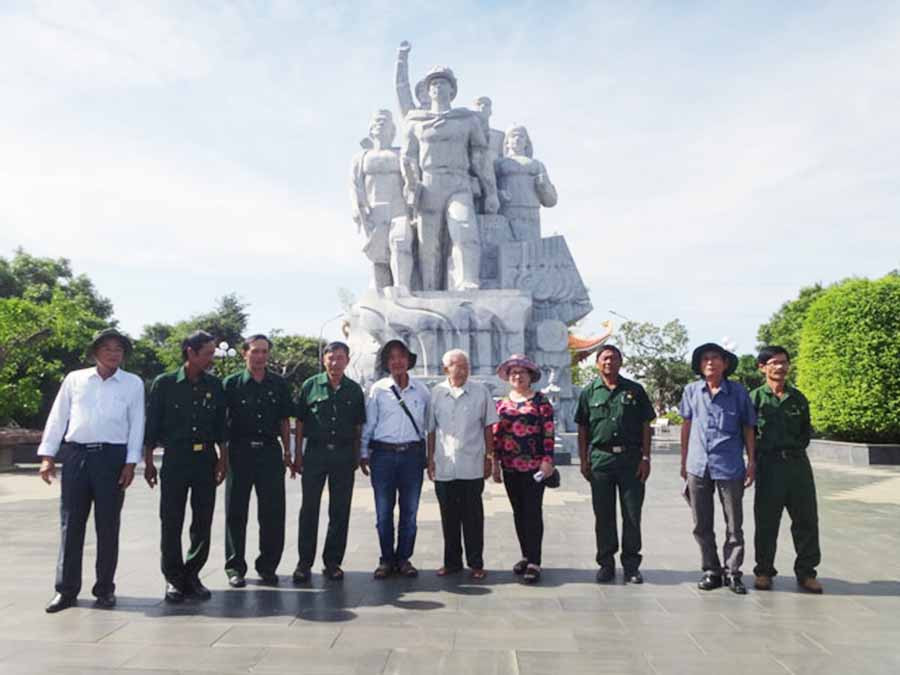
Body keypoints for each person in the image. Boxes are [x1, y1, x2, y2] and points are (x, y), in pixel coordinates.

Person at [37, 328, 145, 612]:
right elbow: (58, 416)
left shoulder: (132, 383)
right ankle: (66, 590)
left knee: (108, 526)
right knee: (71, 525)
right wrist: (48, 455)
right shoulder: (76, 379)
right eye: (107, 348)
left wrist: (131, 463)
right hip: (76, 456)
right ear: (95, 352)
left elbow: (137, 425)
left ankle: (105, 589)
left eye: (118, 349)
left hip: (112, 458)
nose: (113, 354)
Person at [144, 330, 227, 603]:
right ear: (190, 352)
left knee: (202, 520)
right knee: (171, 520)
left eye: (214, 353)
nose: (212, 358)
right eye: (208, 354)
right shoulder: (165, 383)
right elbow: (152, 424)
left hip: (205, 459)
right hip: (175, 459)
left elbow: (220, 426)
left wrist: (223, 459)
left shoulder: (215, 385)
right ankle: (173, 578)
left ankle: (192, 574)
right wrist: (148, 462)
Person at [401, 66, 499, 291]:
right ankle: (429, 288)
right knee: (428, 243)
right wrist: (411, 184)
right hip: (429, 184)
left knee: (464, 230)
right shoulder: (415, 122)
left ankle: (467, 281)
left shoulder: (466, 119)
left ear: (452, 90)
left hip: (458, 182)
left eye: (442, 82)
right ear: (427, 91)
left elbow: (480, 157)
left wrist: (491, 191)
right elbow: (408, 157)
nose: (437, 86)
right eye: (433, 83)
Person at [679, 342, 756, 594]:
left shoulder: (738, 392)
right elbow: (687, 426)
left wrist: (751, 460)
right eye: (705, 359)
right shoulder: (691, 391)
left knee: (734, 523)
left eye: (715, 358)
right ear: (700, 366)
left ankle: (733, 572)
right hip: (698, 465)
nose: (710, 362)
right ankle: (711, 569)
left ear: (725, 363)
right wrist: (684, 460)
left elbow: (748, 427)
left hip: (730, 464)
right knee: (701, 523)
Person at [574, 345, 655, 585]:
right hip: (601, 459)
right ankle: (606, 564)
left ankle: (631, 566)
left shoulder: (635, 390)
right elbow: (582, 429)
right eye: (605, 358)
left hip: (631, 460)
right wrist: (584, 460)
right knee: (604, 516)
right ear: (597, 363)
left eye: (614, 358)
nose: (609, 362)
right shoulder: (589, 392)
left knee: (632, 514)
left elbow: (645, 426)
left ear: (621, 362)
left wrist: (646, 458)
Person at [750, 346, 823, 594]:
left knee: (806, 520)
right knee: (767, 521)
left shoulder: (798, 398)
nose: (780, 367)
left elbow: (805, 432)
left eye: (784, 362)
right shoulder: (755, 399)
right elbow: (747, 433)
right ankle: (763, 571)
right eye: (773, 362)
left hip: (797, 465)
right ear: (762, 367)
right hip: (768, 465)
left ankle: (807, 572)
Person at [222, 334, 293, 588]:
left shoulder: (278, 384)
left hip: (269, 452)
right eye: (255, 351)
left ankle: (268, 566)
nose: (260, 356)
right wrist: (222, 457)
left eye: (264, 351)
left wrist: (288, 452)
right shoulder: (230, 384)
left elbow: (285, 420)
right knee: (235, 512)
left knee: (273, 512)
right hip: (239, 452)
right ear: (244, 353)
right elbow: (222, 423)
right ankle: (234, 567)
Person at [292, 341, 366, 583]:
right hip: (315, 454)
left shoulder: (354, 390)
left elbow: (358, 426)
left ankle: (333, 562)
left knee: (340, 510)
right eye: (331, 358)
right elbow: (300, 422)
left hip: (343, 456)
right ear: (324, 360)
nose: (335, 362)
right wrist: (298, 455)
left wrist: (356, 456)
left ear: (347, 360)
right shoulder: (310, 386)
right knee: (309, 509)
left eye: (340, 358)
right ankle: (304, 563)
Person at [360, 339, 429, 579]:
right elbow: (370, 423)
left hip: (412, 455)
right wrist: (363, 453)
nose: (397, 361)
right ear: (386, 363)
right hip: (384, 455)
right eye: (391, 358)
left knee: (410, 511)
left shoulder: (422, 390)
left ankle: (404, 558)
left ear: (408, 361)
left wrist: (429, 458)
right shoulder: (378, 389)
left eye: (401, 356)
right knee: (383, 512)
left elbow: (427, 426)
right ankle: (386, 559)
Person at [427, 349, 498, 579]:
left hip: (472, 464)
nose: (464, 369)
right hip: (445, 465)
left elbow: (488, 427)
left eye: (466, 365)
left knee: (473, 517)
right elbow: (430, 429)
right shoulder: (436, 393)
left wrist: (490, 458)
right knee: (448, 517)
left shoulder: (480, 392)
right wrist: (429, 459)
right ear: (446, 367)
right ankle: (451, 562)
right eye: (458, 365)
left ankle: (476, 562)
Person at [492, 354, 555, 583]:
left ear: (531, 376)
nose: (517, 376)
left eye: (522, 372)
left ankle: (535, 562)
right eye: (513, 373)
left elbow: (548, 432)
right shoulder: (501, 403)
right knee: (518, 512)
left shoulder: (541, 402)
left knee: (532, 511)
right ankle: (525, 555)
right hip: (510, 465)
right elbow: (497, 435)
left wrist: (548, 460)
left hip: (534, 466)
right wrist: (495, 463)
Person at [350, 109, 415, 290]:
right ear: (371, 129)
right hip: (373, 211)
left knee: (400, 242)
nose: (380, 124)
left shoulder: (401, 154)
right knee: (378, 255)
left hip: (398, 209)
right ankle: (380, 291)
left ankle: (402, 287)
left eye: (384, 121)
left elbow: (411, 181)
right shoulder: (360, 158)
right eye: (377, 121)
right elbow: (355, 185)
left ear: (392, 130)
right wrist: (356, 206)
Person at [495, 125, 558, 242]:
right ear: (507, 142)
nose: (517, 139)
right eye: (513, 136)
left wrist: (544, 187)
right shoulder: (499, 164)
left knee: (530, 247)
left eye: (521, 136)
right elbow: (489, 187)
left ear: (526, 142)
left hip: (531, 211)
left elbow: (550, 201)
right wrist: (499, 194)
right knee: (509, 244)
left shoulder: (537, 165)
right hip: (508, 209)